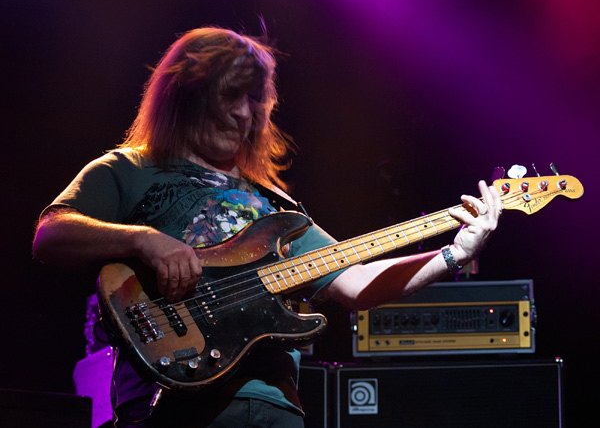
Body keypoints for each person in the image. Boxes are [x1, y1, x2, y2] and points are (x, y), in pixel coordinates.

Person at [32, 27, 502, 427]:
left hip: (274, 407)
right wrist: (143, 239)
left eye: (254, 100)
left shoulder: (276, 207)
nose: (243, 113)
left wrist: (453, 254)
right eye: (230, 95)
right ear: (185, 93)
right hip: (171, 401)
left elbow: (357, 283)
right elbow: (51, 234)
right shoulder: (130, 169)